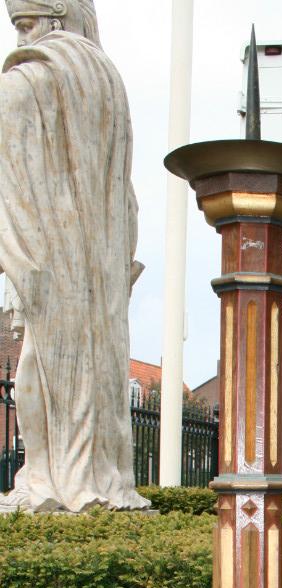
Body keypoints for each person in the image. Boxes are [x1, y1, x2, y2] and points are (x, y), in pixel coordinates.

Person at [0, 0, 148, 512]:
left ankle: (48, 478)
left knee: (38, 368)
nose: (22, 41)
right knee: (92, 372)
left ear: (57, 16)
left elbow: (12, 174)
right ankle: (96, 477)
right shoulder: (108, 83)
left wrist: (19, 254)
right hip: (100, 265)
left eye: (26, 25)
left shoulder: (32, 77)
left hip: (51, 257)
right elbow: (127, 197)